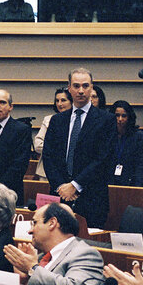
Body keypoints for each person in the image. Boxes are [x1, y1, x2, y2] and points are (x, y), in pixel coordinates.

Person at [3, 202, 105, 285]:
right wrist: (24, 280)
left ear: (52, 223)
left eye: (34, 223)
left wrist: (32, 269)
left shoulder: (86, 254)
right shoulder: (41, 258)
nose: (30, 231)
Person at [42, 68, 116, 227]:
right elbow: (48, 156)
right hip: (60, 195)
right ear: (69, 88)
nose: (81, 91)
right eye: (76, 86)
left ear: (92, 87)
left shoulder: (106, 120)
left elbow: (103, 158)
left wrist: (75, 185)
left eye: (85, 86)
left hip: (92, 196)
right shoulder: (57, 120)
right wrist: (61, 186)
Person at [35, 88, 73, 181]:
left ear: (72, 102)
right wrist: (60, 150)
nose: (59, 104)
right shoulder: (48, 119)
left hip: (71, 171)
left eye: (63, 100)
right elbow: (37, 145)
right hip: (46, 172)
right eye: (57, 100)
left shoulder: (77, 121)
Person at [109, 100, 143, 187]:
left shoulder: (138, 136)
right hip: (110, 181)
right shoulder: (107, 135)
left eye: (124, 116)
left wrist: (138, 188)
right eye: (117, 115)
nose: (120, 119)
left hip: (130, 181)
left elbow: (140, 165)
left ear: (129, 117)